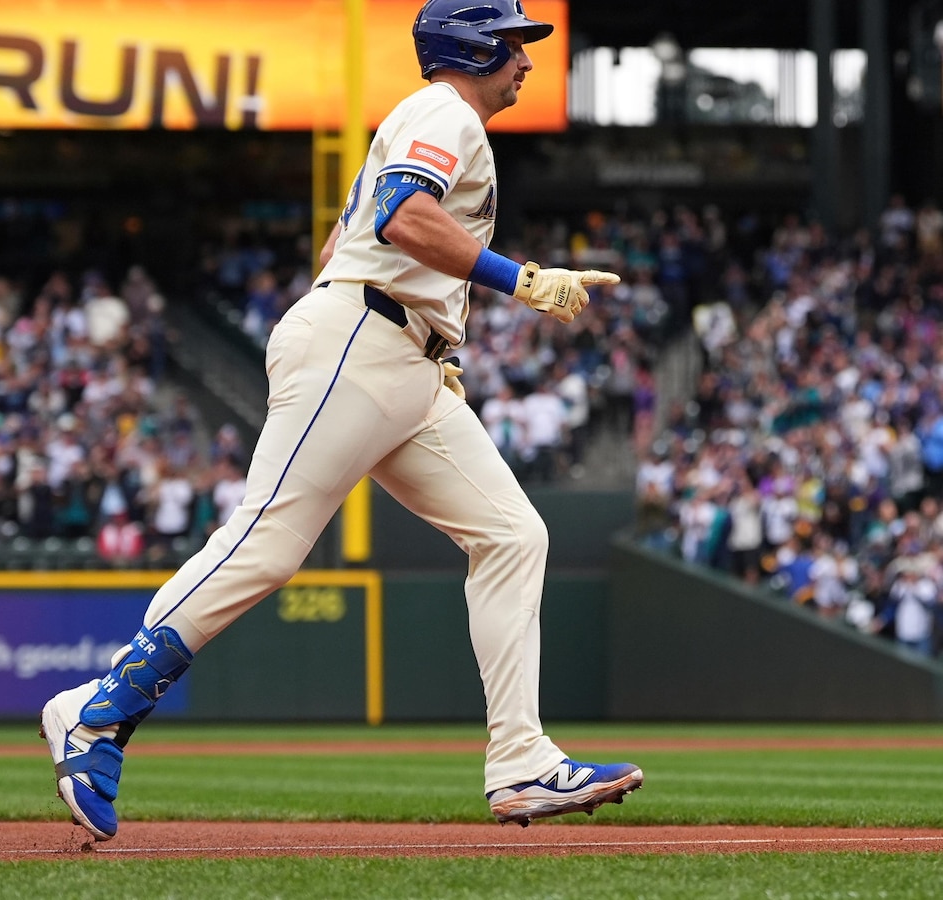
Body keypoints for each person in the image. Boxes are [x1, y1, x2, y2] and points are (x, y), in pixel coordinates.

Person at [38, 0, 640, 843]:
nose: (526, 60)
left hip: (400, 356)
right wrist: (523, 281)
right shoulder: (444, 111)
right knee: (267, 544)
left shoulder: (435, 119)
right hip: (366, 338)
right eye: (512, 43)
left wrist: (425, 335)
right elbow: (400, 216)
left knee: (513, 536)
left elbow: (340, 243)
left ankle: (522, 762)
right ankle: (97, 712)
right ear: (471, 46)